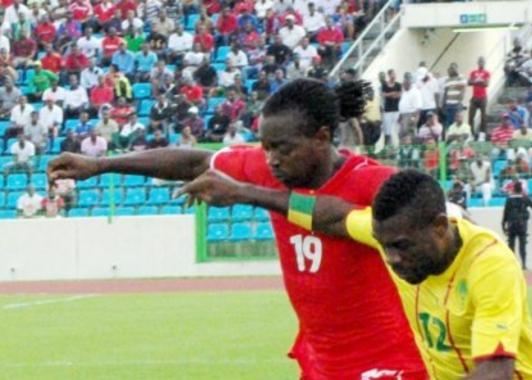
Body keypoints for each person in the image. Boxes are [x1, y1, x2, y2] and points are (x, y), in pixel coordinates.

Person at [48, 79, 427, 379]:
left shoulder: (374, 182)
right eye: (265, 148)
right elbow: (195, 162)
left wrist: (246, 193)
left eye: (283, 148)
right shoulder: (268, 169)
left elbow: (335, 217)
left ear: (323, 138)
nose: (272, 160)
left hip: (389, 360)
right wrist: (102, 164)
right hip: (321, 360)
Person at [175, 169, 532, 379]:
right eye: (384, 246)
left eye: (400, 247)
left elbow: (495, 372)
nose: (391, 259)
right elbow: (332, 216)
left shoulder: (490, 266)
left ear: (440, 227)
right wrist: (243, 193)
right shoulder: (394, 237)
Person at [502, 181, 532, 270]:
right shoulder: (525, 198)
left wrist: (503, 225)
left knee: (511, 244)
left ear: (514, 189)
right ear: (521, 189)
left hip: (511, 224)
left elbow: (505, 213)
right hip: (522, 224)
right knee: (522, 245)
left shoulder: (509, 200)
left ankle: (512, 264)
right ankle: (523, 264)